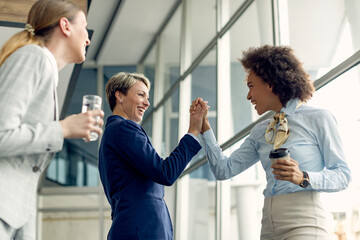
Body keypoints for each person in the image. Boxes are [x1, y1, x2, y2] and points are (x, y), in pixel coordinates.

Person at [192, 45, 351, 239]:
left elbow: (343, 175)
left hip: (306, 221)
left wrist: (303, 177)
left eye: (251, 86)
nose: (248, 96)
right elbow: (223, 170)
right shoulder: (261, 131)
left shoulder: (319, 119)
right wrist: (204, 126)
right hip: (268, 224)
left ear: (270, 83)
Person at [0, 0, 104, 239]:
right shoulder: (32, 57)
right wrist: (62, 128)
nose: (88, 39)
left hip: (15, 215)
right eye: (84, 28)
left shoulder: (46, 69)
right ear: (65, 26)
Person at [98, 72, 208, 240]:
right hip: (141, 229)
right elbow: (165, 172)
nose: (147, 103)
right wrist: (193, 131)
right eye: (141, 95)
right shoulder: (123, 128)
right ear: (119, 96)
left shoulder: (114, 132)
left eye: (147, 97)